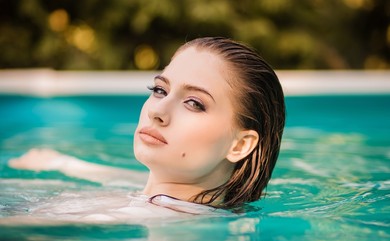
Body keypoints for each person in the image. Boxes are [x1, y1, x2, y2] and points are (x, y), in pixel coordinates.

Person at [8, 37, 285, 214]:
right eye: (160, 90)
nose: (158, 111)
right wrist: (66, 164)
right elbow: (125, 180)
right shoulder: (201, 205)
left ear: (240, 145)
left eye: (194, 103)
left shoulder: (120, 215)